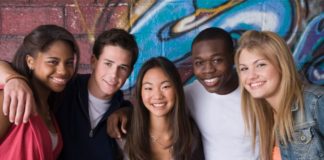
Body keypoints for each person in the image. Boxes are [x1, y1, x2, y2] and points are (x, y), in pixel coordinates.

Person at [106, 27, 260, 160]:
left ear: (233, 57)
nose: (208, 70)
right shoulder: (192, 93)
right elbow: (155, 104)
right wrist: (124, 112)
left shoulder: (255, 92)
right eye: (199, 62)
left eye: (217, 60)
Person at [0, 28, 138, 160]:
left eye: (123, 68)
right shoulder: (64, 89)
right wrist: (13, 79)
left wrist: (128, 112)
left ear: (130, 72)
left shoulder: (123, 110)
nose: (113, 75)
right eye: (108, 63)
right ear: (93, 61)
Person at [234, 30, 324, 160]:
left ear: (281, 65)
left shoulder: (316, 103)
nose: (251, 76)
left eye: (260, 65)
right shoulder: (264, 115)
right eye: (244, 69)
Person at [0, 24, 80, 159]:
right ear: (30, 61)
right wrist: (12, 78)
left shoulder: (50, 108)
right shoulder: (9, 99)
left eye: (69, 63)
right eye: (53, 62)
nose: (63, 71)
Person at [119, 57, 204, 160]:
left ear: (176, 89)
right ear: (140, 93)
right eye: (148, 88)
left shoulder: (192, 134)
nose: (158, 96)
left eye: (165, 87)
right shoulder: (124, 134)